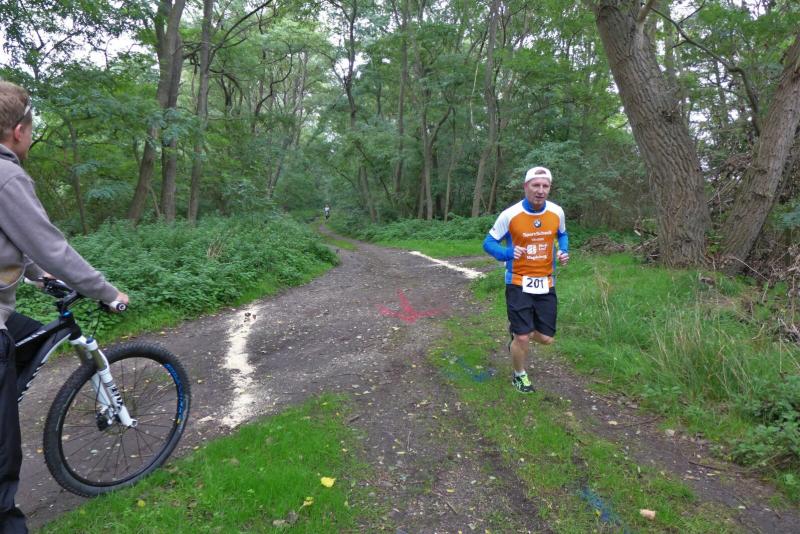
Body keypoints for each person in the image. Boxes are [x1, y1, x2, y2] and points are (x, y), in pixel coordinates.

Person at [0, 81, 128, 533]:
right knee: (2, 462)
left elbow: (16, 241)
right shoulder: (7, 176)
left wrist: (37, 275)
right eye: (32, 128)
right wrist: (107, 292)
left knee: (27, 337)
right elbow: (52, 247)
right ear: (19, 130)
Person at [482, 166, 569, 393]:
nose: (540, 190)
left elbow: (562, 234)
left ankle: (517, 335)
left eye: (545, 186)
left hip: (546, 282)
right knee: (523, 337)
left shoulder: (556, 212)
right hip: (518, 281)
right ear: (526, 187)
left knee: (546, 338)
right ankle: (519, 375)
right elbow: (488, 243)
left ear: (549, 188)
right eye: (535, 185)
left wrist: (563, 250)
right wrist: (508, 253)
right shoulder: (510, 215)